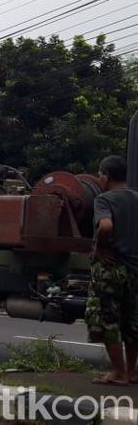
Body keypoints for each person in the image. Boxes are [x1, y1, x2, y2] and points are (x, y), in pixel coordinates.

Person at [85, 155, 138, 386]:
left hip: (112, 268)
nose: (98, 178)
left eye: (99, 174)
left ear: (105, 175)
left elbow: (105, 225)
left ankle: (118, 373)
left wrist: (101, 247)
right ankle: (132, 371)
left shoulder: (104, 199)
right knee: (133, 322)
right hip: (136, 270)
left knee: (108, 320)